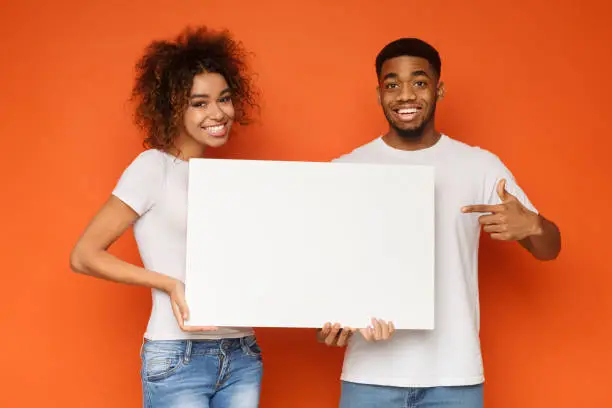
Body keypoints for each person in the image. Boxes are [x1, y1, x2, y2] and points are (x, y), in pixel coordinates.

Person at [318, 38, 561, 407]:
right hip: (370, 376)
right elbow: (323, 274)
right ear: (379, 93)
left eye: (419, 82)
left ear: (439, 89)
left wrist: (534, 226)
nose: (405, 95)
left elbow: (550, 249)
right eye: (392, 84)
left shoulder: (479, 166)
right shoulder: (345, 170)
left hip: (454, 376)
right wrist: (326, 326)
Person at [70, 26, 262, 408]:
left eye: (224, 99)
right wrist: (169, 284)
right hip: (177, 355)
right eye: (199, 102)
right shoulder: (152, 168)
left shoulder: (228, 182)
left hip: (242, 351)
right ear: (173, 107)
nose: (217, 113)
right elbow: (84, 255)